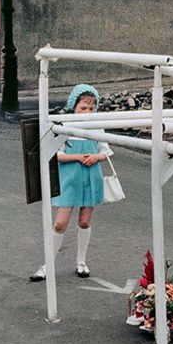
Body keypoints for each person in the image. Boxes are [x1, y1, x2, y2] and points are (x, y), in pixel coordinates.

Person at [29, 83, 111, 281]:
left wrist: (95, 157)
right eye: (83, 107)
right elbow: (55, 154)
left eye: (91, 108)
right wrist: (77, 157)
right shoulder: (65, 126)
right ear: (74, 106)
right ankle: (47, 264)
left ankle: (81, 261)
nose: (88, 111)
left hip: (91, 176)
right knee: (59, 223)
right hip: (70, 177)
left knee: (84, 221)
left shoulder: (96, 125)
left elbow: (105, 151)